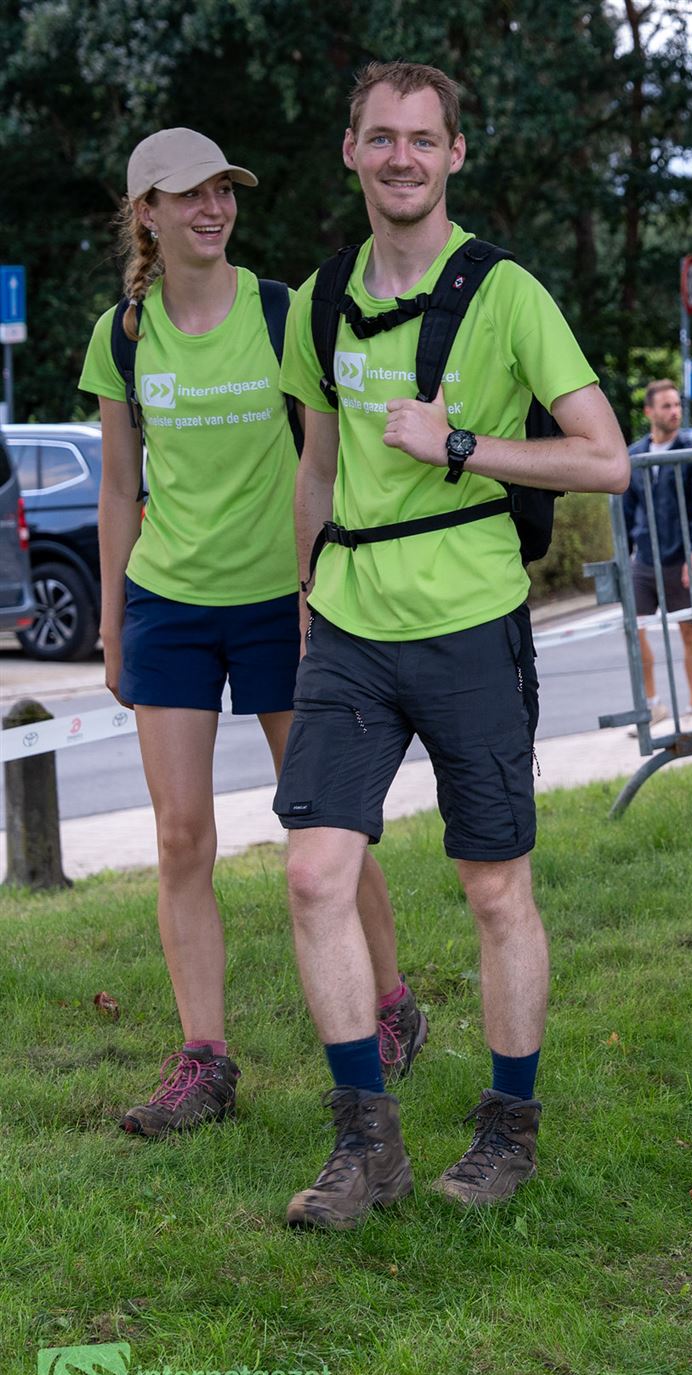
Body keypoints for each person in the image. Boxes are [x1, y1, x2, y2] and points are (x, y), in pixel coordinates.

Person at [272, 62, 628, 1228]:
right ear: (351, 150)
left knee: (494, 888)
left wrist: (461, 443)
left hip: (472, 623)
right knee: (313, 874)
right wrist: (308, 598)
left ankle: (508, 1125)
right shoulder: (320, 301)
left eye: (423, 140)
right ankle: (364, 1145)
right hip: (350, 629)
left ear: (455, 155)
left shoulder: (508, 294)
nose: (402, 158)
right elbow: (317, 465)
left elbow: (606, 459)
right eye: (382, 138)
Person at [77, 128, 415, 1139]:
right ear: (147, 213)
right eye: (190, 195)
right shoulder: (122, 336)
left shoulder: (283, 312)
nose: (213, 208)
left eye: (223, 191)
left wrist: (325, 597)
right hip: (169, 606)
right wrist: (111, 624)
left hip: (283, 602)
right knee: (181, 837)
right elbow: (119, 490)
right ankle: (206, 1060)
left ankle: (391, 1004)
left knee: (324, 822)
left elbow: (327, 460)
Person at [624, 378, 692, 728]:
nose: (675, 412)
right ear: (649, 411)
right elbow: (626, 509)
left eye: (677, 405)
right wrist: (624, 557)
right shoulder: (635, 454)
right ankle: (652, 706)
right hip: (644, 560)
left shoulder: (690, 450)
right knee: (635, 631)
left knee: (689, 632)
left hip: (681, 559)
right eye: (667, 406)